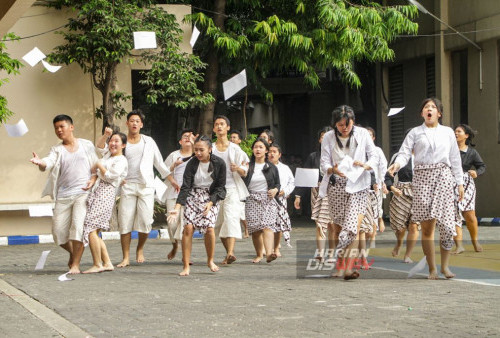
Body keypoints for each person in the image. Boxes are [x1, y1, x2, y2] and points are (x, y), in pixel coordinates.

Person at [388, 98, 464, 279]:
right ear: (422, 113)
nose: (429, 109)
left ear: (439, 113)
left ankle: (445, 267)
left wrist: (459, 182)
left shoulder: (447, 133)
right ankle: (432, 269)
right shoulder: (415, 132)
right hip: (422, 179)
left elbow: (455, 159)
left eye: (433, 107)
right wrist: (396, 165)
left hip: (444, 177)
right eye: (426, 107)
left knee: (446, 225)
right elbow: (405, 153)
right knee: (427, 227)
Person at [96, 110, 170, 268]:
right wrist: (105, 136)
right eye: (132, 121)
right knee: (125, 222)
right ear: (127, 123)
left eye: (137, 121)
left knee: (145, 222)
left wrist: (172, 180)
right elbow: (103, 150)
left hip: (146, 186)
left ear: (141, 124)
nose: (134, 123)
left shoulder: (148, 141)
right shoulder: (121, 141)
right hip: (126, 186)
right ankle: (126, 257)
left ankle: (140, 248)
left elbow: (160, 163)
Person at [30, 115, 98, 274]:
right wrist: (41, 163)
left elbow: (96, 165)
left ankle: (75, 265)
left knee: (77, 227)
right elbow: (49, 162)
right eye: (56, 128)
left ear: (71, 127)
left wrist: (93, 179)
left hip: (83, 193)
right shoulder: (57, 149)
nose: (59, 130)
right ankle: (75, 254)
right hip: (64, 195)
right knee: (58, 233)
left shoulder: (86, 145)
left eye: (62, 126)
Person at [320, 105, 377, 280]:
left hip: (358, 184)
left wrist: (366, 165)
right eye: (340, 125)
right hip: (337, 185)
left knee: (352, 228)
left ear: (353, 122)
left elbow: (373, 156)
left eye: (347, 124)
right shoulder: (328, 138)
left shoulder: (362, 134)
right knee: (337, 229)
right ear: (334, 124)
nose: (344, 128)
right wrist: (332, 169)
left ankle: (348, 268)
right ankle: (340, 265)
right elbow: (323, 163)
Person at [167, 136, 226, 276]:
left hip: (211, 197)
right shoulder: (191, 163)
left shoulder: (220, 163)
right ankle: (186, 265)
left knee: (209, 229)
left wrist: (211, 203)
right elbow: (186, 187)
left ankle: (210, 260)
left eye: (201, 150)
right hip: (193, 195)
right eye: (196, 150)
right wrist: (177, 208)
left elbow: (221, 187)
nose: (198, 153)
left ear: (210, 150)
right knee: (188, 228)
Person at [82, 129, 128, 273]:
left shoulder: (121, 160)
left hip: (106, 192)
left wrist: (98, 165)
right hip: (98, 191)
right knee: (94, 230)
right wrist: (106, 136)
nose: (113, 144)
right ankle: (107, 262)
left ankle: (97, 264)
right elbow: (99, 146)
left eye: (117, 141)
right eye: (112, 141)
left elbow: (110, 177)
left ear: (124, 145)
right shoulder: (108, 154)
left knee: (90, 228)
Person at [294, 127, 335, 262]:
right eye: (322, 136)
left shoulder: (338, 156)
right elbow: (305, 177)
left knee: (332, 225)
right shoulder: (313, 157)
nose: (325, 139)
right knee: (319, 224)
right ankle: (321, 253)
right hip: (317, 192)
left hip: (334, 192)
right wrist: (298, 196)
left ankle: (331, 254)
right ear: (319, 139)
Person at [212, 116, 249, 265]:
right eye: (216, 125)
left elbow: (245, 167)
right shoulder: (211, 148)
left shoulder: (235, 149)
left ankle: (231, 252)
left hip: (232, 188)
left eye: (222, 124)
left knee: (231, 218)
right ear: (214, 129)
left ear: (227, 127)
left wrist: (238, 169)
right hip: (215, 190)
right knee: (218, 223)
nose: (219, 127)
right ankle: (228, 252)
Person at [384, 131, 420, 263]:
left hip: (418, 193)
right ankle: (399, 243)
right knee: (400, 227)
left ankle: (408, 255)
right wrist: (392, 188)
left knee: (414, 225)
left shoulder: (426, 156)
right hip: (401, 191)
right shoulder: (398, 157)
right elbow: (387, 176)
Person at [244, 138, 281, 263]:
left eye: (261, 147)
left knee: (267, 226)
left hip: (268, 199)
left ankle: (269, 253)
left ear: (266, 150)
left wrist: (275, 190)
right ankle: (259, 254)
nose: (258, 149)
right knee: (255, 230)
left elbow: (277, 184)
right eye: (255, 147)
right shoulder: (248, 166)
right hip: (252, 199)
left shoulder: (271, 167)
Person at [162, 129, 195, 260]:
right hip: (173, 192)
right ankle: (175, 245)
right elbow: (163, 171)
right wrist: (174, 166)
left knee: (187, 226)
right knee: (172, 224)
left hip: (190, 195)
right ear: (180, 141)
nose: (187, 138)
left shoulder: (197, 154)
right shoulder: (174, 155)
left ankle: (186, 256)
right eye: (185, 137)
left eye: (190, 137)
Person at [452, 124, 485, 254]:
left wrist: (476, 172)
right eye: (455, 131)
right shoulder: (448, 149)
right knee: (453, 215)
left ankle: (474, 240)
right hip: (450, 182)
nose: (455, 133)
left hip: (466, 184)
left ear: (466, 135)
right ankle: (459, 245)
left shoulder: (471, 152)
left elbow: (482, 166)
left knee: (469, 214)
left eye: (459, 131)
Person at [268, 144, 295, 256]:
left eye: (274, 151)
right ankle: (266, 248)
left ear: (279, 155)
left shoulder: (285, 168)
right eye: (269, 151)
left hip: (280, 199)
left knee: (278, 224)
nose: (272, 154)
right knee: (266, 225)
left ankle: (276, 248)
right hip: (265, 199)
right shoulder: (262, 167)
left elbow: (292, 182)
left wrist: (285, 191)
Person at [365, 127, 388, 249]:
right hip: (362, 188)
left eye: (370, 135)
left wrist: (382, 182)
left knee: (375, 214)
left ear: (373, 138)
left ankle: (373, 239)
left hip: (375, 188)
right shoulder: (359, 151)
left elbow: (383, 167)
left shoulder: (378, 151)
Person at [230, 129, 250, 238]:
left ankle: (246, 228)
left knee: (240, 209)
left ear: (239, 141)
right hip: (226, 183)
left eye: (234, 138)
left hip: (238, 183)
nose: (232, 139)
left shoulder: (242, 154)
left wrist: (238, 168)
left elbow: (245, 172)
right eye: (231, 137)